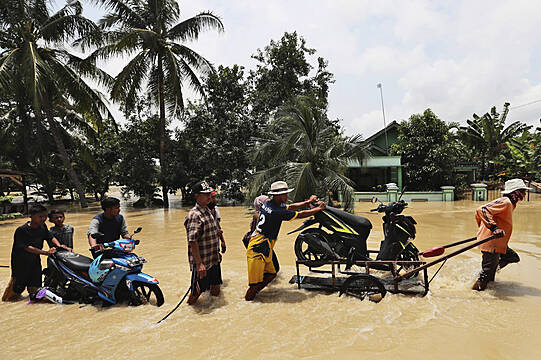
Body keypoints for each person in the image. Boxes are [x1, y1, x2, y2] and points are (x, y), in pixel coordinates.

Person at [245, 181, 326, 301]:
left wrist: (308, 202)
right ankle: (248, 301)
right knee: (253, 286)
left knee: (271, 274)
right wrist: (318, 209)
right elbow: (300, 214)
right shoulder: (277, 212)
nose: (287, 197)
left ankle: (256, 295)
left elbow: (291, 207)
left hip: (263, 245)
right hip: (258, 249)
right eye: (285, 194)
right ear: (277, 195)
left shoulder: (269, 204)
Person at [2, 205, 70, 301]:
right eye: (40, 216)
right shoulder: (21, 230)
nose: (43, 219)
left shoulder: (43, 226)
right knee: (15, 291)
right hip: (20, 264)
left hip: (35, 261)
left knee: (35, 288)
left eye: (45, 216)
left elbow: (50, 237)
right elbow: (27, 247)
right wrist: (46, 253)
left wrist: (59, 246)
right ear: (31, 216)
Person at [472, 178, 528, 291]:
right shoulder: (505, 202)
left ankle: (491, 272)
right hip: (492, 243)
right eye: (522, 191)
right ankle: (476, 293)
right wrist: (493, 228)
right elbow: (481, 210)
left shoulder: (511, 204)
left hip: (499, 242)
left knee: (512, 257)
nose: (525, 194)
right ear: (515, 192)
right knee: (485, 277)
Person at [185, 181, 223, 305]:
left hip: (213, 259)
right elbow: (192, 240)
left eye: (209, 194)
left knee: (216, 288)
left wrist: (217, 252)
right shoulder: (195, 215)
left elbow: (212, 234)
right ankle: (188, 313)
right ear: (196, 196)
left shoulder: (208, 211)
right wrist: (199, 263)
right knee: (196, 294)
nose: (209, 197)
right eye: (205, 194)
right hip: (203, 262)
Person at [242, 195, 280, 273]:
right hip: (263, 246)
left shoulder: (258, 215)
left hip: (261, 246)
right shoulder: (263, 215)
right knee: (271, 268)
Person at [208, 189, 226, 253]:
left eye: (215, 197)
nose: (215, 199)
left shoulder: (215, 209)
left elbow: (218, 226)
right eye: (213, 197)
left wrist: (223, 241)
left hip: (215, 246)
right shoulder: (200, 213)